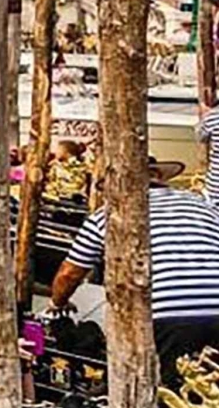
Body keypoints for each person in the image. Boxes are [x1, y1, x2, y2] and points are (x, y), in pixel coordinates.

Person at [49, 158, 219, 385]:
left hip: (167, 314)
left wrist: (58, 302)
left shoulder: (107, 215)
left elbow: (69, 274)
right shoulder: (201, 205)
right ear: (157, 176)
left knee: (173, 391)